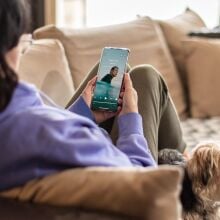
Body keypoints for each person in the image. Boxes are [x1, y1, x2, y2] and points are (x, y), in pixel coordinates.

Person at [0, 0, 185, 191]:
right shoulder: (44, 132)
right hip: (126, 177)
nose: (24, 49)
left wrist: (83, 114)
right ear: (9, 46)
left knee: (116, 73)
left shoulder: (20, 119)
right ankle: (184, 163)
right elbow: (141, 182)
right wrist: (130, 121)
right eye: (24, 41)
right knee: (146, 76)